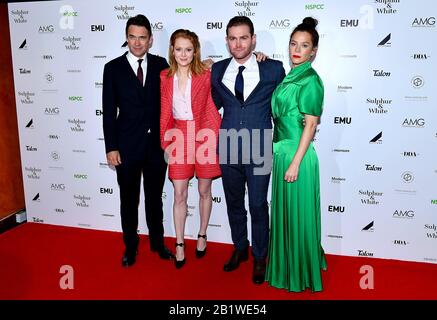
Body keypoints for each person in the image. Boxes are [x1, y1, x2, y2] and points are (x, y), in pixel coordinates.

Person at [211, 16, 285, 284]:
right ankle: (240, 248)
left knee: (257, 204)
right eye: (232, 38)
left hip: (260, 147)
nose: (238, 43)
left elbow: (283, 108)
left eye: (244, 37)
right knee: (234, 204)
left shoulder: (273, 69)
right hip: (228, 145)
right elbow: (214, 103)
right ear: (227, 41)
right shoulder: (217, 70)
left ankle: (260, 256)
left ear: (253, 39)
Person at [102, 14, 174, 267]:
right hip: (126, 147)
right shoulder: (112, 68)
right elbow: (109, 111)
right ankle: (130, 247)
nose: (137, 42)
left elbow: (183, 81)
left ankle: (157, 243)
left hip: (157, 147)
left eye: (142, 37)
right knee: (128, 200)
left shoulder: (161, 64)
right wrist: (111, 147)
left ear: (150, 40)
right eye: (132, 37)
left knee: (155, 198)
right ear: (127, 38)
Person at [265, 17, 327, 292]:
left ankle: (300, 271)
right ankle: (288, 264)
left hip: (297, 158)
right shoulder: (291, 75)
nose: (297, 49)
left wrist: (295, 163)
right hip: (282, 153)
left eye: (304, 46)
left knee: (298, 216)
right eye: (293, 44)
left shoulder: (311, 80)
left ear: (313, 51)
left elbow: (311, 125)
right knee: (285, 215)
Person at [160, 29, 221, 269]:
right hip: (179, 135)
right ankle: (179, 243)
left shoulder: (205, 73)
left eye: (188, 49)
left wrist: (258, 55)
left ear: (195, 51)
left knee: (205, 190)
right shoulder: (164, 76)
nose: (183, 54)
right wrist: (166, 142)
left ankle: (203, 234)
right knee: (179, 194)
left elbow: (232, 64)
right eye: (178, 49)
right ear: (172, 51)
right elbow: (165, 111)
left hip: (205, 135)